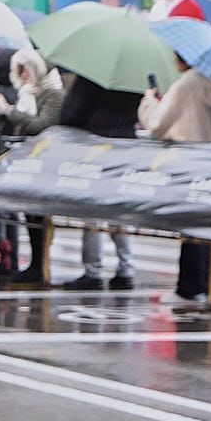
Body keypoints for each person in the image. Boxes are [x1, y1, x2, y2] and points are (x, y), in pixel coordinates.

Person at [138, 53, 211, 309]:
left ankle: (188, 289)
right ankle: (202, 285)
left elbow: (156, 124)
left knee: (188, 227)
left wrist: (149, 101)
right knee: (204, 227)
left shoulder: (184, 84)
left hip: (187, 163)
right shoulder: (208, 83)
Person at [53, 72, 143, 291]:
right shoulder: (135, 75)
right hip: (125, 145)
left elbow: (71, 112)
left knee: (92, 210)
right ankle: (125, 268)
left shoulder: (92, 74)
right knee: (120, 209)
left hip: (95, 146)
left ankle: (93, 270)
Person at [0, 49, 63, 281]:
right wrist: (1, 113)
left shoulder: (53, 94)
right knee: (29, 216)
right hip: (27, 163)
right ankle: (33, 264)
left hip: (45, 162)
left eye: (26, 69)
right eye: (19, 70)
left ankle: (41, 265)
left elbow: (41, 124)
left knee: (39, 217)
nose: (23, 75)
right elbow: (15, 128)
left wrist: (12, 112)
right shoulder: (26, 93)